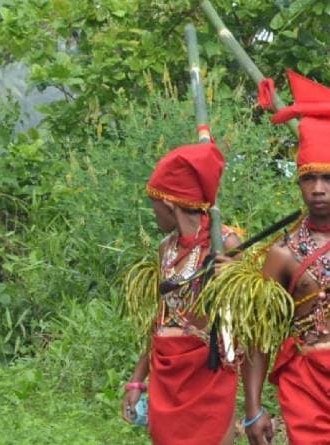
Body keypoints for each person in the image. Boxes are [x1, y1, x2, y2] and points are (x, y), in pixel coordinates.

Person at [242, 70, 330, 445]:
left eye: (329, 179)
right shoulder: (282, 255)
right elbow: (259, 337)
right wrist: (253, 409)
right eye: (309, 178)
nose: (318, 189)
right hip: (307, 390)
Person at [122, 142, 242, 445]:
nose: (154, 212)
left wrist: (231, 279)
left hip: (208, 375)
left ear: (170, 203)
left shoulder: (225, 245)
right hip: (167, 377)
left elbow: (246, 320)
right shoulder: (166, 248)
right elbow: (160, 320)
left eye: (154, 203)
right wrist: (138, 378)